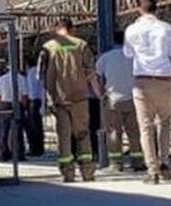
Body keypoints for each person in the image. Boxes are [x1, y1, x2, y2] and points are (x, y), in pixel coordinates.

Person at [123, 0, 171, 184]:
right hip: (164, 79)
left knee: (145, 125)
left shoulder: (131, 30)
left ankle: (152, 169)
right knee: (164, 122)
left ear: (138, 9)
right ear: (157, 9)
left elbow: (127, 53)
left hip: (141, 80)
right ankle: (164, 162)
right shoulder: (166, 28)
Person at [38, 18, 99, 182]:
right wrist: (99, 93)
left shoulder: (47, 48)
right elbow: (91, 73)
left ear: (55, 29)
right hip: (80, 98)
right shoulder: (82, 45)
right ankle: (87, 171)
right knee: (83, 134)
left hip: (58, 99)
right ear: (72, 29)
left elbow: (41, 75)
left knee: (63, 137)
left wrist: (48, 97)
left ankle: (68, 173)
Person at [96, 31, 143, 172]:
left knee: (113, 132)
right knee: (134, 131)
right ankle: (137, 161)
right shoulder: (134, 57)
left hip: (113, 99)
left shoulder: (105, 57)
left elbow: (95, 76)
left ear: (113, 41)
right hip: (133, 98)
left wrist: (101, 93)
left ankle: (116, 163)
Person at [0, 65, 28, 161]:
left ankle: (3, 153)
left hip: (4, 103)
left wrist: (0, 106)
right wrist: (24, 107)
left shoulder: (2, 78)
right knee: (17, 130)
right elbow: (24, 95)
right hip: (17, 103)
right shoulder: (21, 79)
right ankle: (18, 153)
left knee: (4, 130)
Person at [24, 52, 47, 157]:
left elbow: (28, 89)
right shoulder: (39, 73)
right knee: (38, 126)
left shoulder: (30, 73)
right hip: (39, 100)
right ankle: (40, 147)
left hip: (32, 101)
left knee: (32, 127)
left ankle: (34, 148)